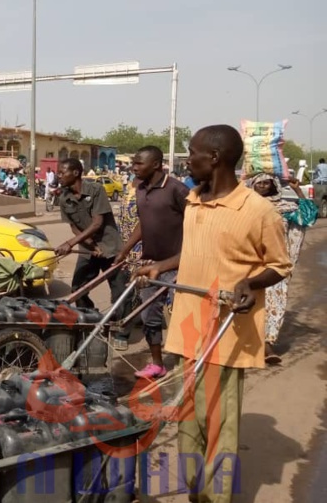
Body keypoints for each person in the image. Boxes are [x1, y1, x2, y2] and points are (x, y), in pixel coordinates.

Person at [137, 125, 291, 503]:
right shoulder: (193, 201)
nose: (188, 159)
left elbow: (280, 265)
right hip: (188, 324)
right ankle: (196, 488)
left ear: (215, 158)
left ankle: (216, 496)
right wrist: (161, 266)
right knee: (188, 413)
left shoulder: (257, 210)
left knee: (219, 420)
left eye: (192, 152)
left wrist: (250, 284)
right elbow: (194, 252)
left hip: (228, 329)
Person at [114, 146, 189, 379]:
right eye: (133, 163)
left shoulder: (177, 189)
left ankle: (187, 364)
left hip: (178, 264)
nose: (133, 167)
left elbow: (197, 224)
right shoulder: (141, 188)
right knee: (149, 316)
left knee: (181, 317)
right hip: (151, 262)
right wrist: (125, 250)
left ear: (156, 164)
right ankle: (157, 363)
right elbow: (144, 224)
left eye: (139, 163)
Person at [54, 157, 131, 350]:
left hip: (111, 247)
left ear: (76, 173)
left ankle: (121, 331)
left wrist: (71, 244)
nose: (59, 175)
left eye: (62, 172)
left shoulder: (96, 190)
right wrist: (89, 245)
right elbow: (74, 226)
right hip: (88, 249)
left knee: (120, 291)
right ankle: (92, 318)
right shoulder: (63, 197)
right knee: (78, 289)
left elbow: (98, 223)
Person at [247, 172, 317, 364]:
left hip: (274, 266)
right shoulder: (244, 208)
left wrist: (297, 190)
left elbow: (308, 217)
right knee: (248, 302)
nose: (262, 186)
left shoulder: (285, 209)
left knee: (273, 303)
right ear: (252, 185)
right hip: (249, 264)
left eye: (266, 183)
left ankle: (266, 344)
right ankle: (249, 343)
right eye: (258, 183)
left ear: (273, 186)